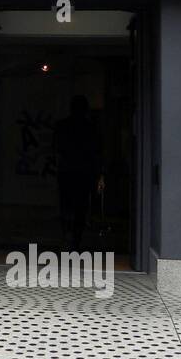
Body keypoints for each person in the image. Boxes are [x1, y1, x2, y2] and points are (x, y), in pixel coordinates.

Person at [54, 95, 104, 251]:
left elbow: (56, 147)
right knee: (81, 207)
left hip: (66, 170)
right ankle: (76, 239)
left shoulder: (62, 126)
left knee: (66, 205)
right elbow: (97, 152)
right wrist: (99, 174)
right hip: (84, 172)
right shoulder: (91, 127)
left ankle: (67, 235)